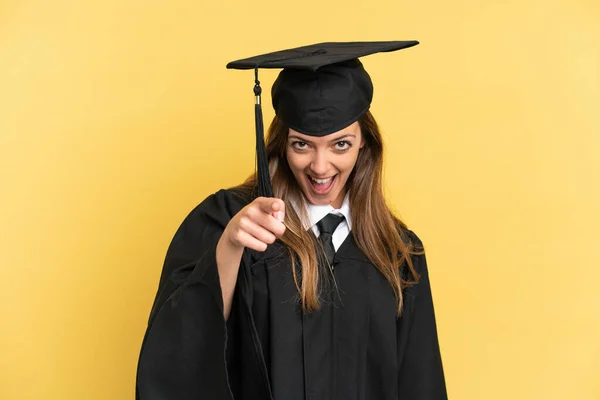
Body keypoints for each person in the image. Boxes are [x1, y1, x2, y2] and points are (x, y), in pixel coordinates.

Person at [136, 41, 447, 400]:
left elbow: (420, 383)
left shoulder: (397, 250)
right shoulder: (228, 220)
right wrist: (230, 246)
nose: (320, 166)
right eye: (302, 145)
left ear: (365, 143)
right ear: (282, 144)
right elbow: (178, 352)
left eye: (340, 144)